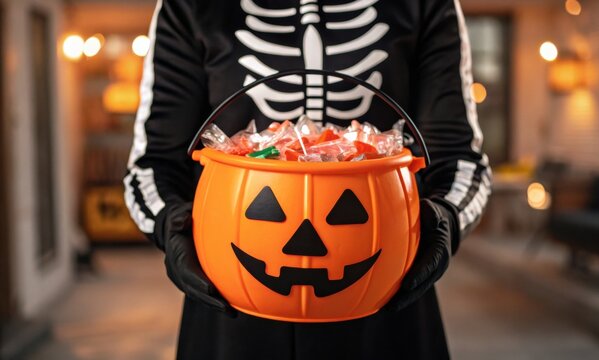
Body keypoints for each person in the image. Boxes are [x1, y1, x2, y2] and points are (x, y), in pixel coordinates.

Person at [124, 0, 491, 358]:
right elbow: (153, 163)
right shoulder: (189, 5)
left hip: (386, 293)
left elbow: (459, 160)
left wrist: (445, 218)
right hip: (231, 297)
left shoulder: (425, 4)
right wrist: (168, 223)